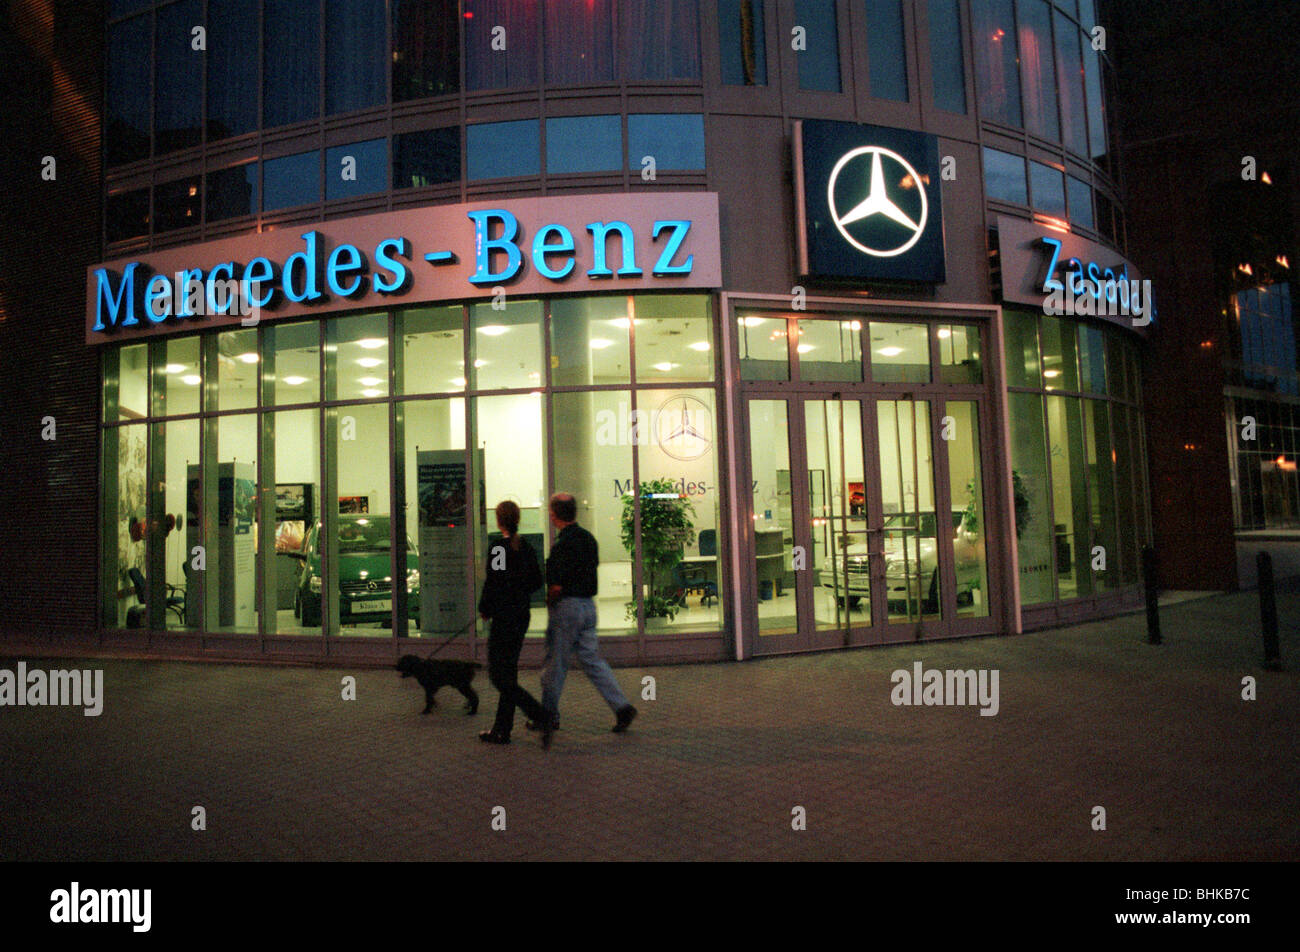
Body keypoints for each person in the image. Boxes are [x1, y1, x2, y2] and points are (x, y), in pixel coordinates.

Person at [537, 492, 637, 749]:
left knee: (556, 664)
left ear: (555, 515)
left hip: (567, 608)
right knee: (592, 661)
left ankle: (548, 717)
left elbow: (557, 585)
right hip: (588, 607)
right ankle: (621, 707)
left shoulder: (561, 545)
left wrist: (550, 602)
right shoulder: (589, 539)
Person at [476, 500, 548, 745]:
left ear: (499, 520)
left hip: (504, 616)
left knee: (499, 675)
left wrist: (486, 607)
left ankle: (538, 713)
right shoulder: (525, 547)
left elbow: (494, 581)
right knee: (508, 673)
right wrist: (519, 590)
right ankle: (502, 729)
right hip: (521, 614)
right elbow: (538, 581)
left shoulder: (499, 548)